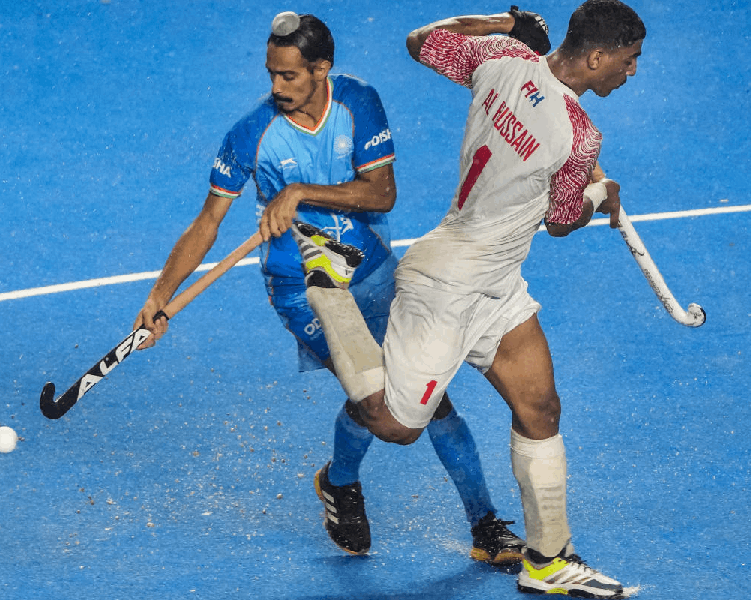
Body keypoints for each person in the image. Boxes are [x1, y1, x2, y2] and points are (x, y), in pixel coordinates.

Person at [133, 10, 548, 564]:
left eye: (290, 77)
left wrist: (299, 192)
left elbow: (381, 195)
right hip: (305, 286)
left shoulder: (358, 103)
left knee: (429, 400)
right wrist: (161, 295)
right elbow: (208, 223)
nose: (276, 88)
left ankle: (485, 525)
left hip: (369, 269)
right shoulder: (251, 133)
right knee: (375, 401)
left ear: (322, 68)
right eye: (271, 75)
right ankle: (341, 481)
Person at [291, 0, 645, 597]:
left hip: (497, 283)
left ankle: (548, 560)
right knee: (397, 425)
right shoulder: (580, 135)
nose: (630, 73)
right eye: (628, 61)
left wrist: (503, 23)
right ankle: (329, 289)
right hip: (448, 285)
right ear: (595, 56)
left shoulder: (504, 56)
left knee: (541, 410)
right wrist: (600, 191)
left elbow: (420, 41)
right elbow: (561, 221)